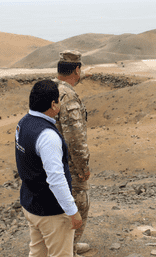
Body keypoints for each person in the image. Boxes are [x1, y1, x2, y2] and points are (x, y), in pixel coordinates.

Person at [15, 79, 82, 257]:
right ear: (53, 104)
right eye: (59, 100)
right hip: (51, 212)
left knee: (38, 252)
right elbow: (56, 179)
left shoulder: (23, 123)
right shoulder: (48, 137)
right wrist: (72, 211)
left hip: (31, 205)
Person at [52, 50, 91, 255]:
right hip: (67, 164)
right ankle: (68, 250)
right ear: (77, 69)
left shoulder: (50, 88)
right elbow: (75, 138)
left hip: (51, 161)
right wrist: (83, 167)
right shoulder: (67, 96)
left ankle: (68, 247)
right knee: (78, 206)